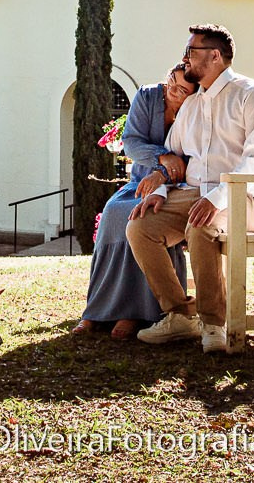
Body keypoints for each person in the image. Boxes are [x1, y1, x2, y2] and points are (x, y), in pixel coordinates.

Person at [126, 24, 254, 354]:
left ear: (215, 56)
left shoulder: (250, 96)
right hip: (196, 194)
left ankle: (213, 323)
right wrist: (160, 192)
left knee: (200, 226)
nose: (185, 59)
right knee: (140, 227)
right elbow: (176, 155)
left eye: (191, 52)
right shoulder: (193, 104)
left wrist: (218, 197)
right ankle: (180, 315)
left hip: (246, 197)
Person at [73, 64, 198, 339]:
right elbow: (131, 142)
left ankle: (135, 311)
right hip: (139, 183)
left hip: (177, 187)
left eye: (183, 90)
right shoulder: (148, 96)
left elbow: (191, 158)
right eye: (171, 83)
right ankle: (97, 310)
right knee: (112, 212)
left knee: (139, 217)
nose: (173, 92)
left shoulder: (197, 109)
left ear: (193, 94)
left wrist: (165, 172)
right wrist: (163, 158)